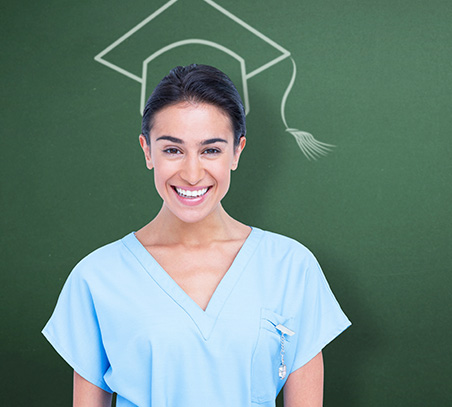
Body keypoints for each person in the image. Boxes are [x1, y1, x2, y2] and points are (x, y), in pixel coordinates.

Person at [42, 64, 350, 407]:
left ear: (237, 151)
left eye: (211, 150)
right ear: (147, 151)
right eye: (173, 149)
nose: (191, 173)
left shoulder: (292, 268)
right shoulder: (97, 277)